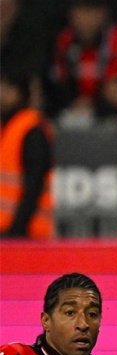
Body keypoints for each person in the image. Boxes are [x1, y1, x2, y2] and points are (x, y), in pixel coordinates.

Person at [0, 73, 55, 239]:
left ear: (16, 93)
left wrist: (17, 229)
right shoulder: (9, 127)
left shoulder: (32, 130)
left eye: (3, 89)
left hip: (27, 235)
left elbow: (34, 184)